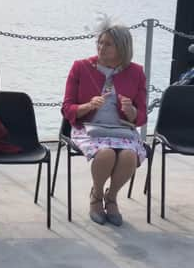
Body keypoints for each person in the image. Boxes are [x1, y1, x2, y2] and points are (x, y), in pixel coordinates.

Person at [62, 16, 147, 226]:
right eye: (100, 42)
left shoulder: (136, 72)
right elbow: (67, 108)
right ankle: (96, 196)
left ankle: (112, 198)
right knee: (106, 154)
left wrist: (131, 111)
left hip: (121, 130)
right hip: (88, 128)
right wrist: (88, 106)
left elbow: (142, 117)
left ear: (122, 47)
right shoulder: (80, 67)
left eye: (108, 44)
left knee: (128, 156)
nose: (101, 47)